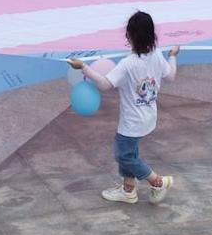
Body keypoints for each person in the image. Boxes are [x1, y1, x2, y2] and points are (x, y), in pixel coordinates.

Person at [67, 12, 178, 204]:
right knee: (130, 153)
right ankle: (128, 190)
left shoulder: (128, 64)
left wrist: (83, 67)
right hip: (149, 116)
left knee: (123, 156)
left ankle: (158, 182)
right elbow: (171, 76)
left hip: (131, 122)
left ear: (129, 36)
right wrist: (173, 56)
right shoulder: (157, 55)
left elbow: (104, 84)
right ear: (152, 34)